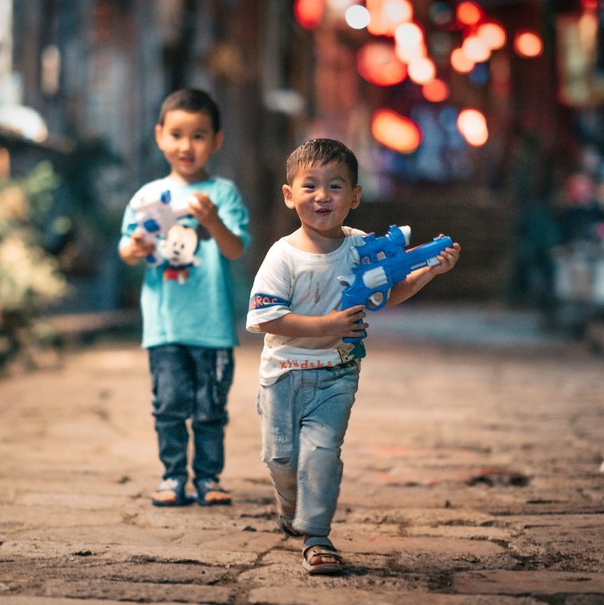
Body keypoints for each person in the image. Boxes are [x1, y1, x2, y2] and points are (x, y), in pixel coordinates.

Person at [245, 138, 460, 575]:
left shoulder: (362, 246)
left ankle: (317, 537)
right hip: (283, 376)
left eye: (335, 186)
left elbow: (389, 292)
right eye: (310, 186)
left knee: (322, 453)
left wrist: (429, 270)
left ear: (355, 197)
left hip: (337, 373)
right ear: (290, 196)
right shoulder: (282, 256)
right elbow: (267, 318)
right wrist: (326, 325)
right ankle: (290, 506)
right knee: (281, 460)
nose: (322, 196)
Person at [118, 87, 250, 508]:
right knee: (170, 405)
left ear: (216, 140)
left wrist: (212, 221)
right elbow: (126, 247)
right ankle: (173, 476)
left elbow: (235, 249)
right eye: (176, 134)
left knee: (211, 409)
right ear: (159, 136)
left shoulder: (223, 194)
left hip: (212, 326)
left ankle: (208, 478)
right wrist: (135, 247)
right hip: (165, 325)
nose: (186, 146)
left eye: (198, 135)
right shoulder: (148, 196)